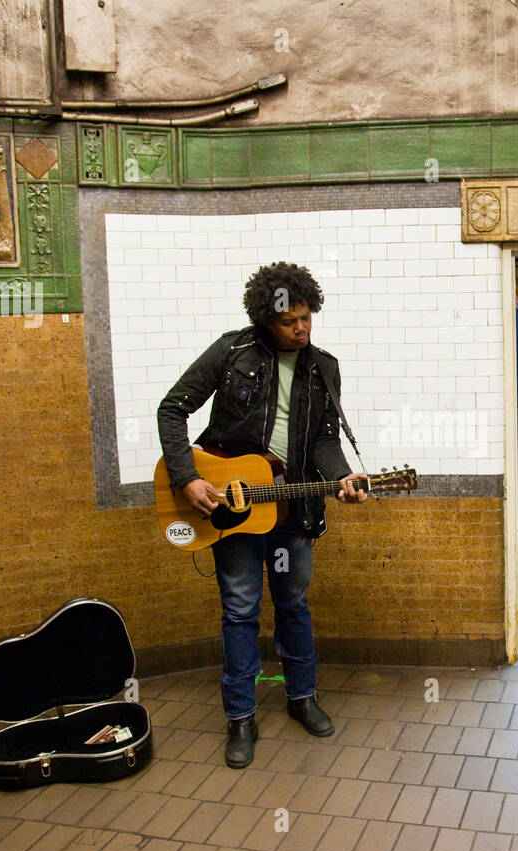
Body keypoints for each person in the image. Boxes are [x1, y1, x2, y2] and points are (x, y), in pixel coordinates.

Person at [156, 262, 369, 769]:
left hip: (294, 509)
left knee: (293, 605)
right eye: (289, 321)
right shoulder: (233, 352)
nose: (302, 327)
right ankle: (241, 717)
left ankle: (302, 698)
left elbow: (323, 440)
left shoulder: (325, 367)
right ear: (263, 321)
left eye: (307, 317)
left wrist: (341, 477)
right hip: (232, 507)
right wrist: (188, 477)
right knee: (240, 611)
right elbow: (172, 409)